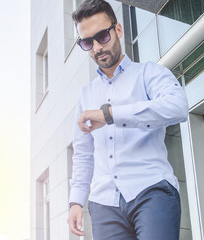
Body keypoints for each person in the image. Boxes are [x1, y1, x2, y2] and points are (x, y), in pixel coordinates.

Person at [67, 0, 189, 239]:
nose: (96, 48)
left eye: (102, 36)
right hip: (104, 204)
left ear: (118, 30)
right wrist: (75, 201)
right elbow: (83, 153)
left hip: (151, 190)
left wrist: (110, 115)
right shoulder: (85, 95)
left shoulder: (150, 73)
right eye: (87, 42)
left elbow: (178, 107)